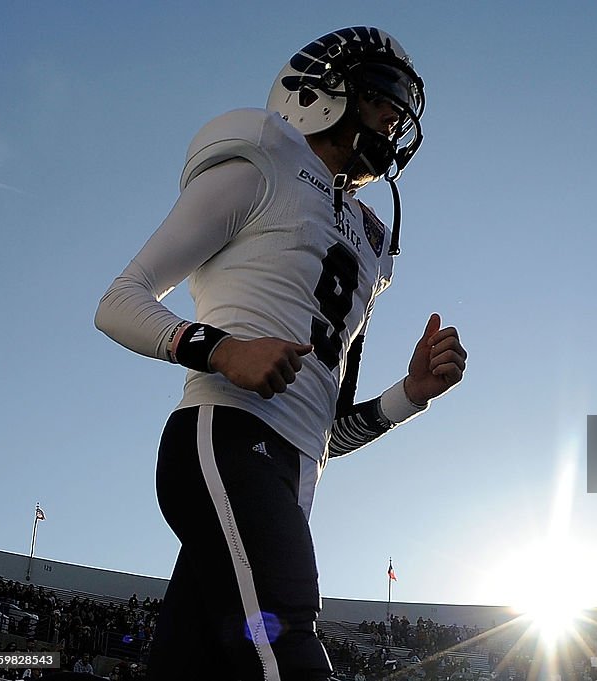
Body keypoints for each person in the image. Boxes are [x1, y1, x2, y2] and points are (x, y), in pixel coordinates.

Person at [95, 26, 466, 681]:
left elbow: (331, 431)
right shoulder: (263, 158)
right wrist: (217, 348)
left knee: (191, 668)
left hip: (291, 476)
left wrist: (410, 394)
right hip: (224, 436)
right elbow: (120, 300)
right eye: (382, 97)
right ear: (322, 89)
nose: (392, 118)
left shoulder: (372, 242)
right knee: (287, 634)